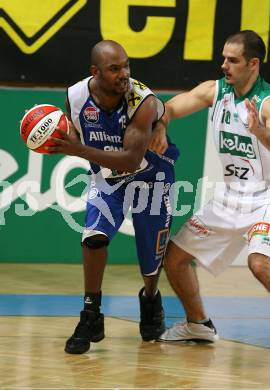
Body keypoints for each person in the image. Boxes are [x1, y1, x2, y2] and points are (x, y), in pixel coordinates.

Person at [150, 30, 270, 362]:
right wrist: (161, 125)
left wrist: (259, 130)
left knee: (260, 264)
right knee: (174, 258)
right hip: (233, 197)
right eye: (223, 58)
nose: (224, 65)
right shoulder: (214, 90)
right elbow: (170, 108)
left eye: (233, 60)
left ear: (253, 64)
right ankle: (198, 324)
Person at [48, 40, 179, 354]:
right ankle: (90, 315)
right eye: (114, 68)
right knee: (93, 238)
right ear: (95, 72)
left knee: (151, 258)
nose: (124, 74)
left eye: (127, 65)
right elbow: (76, 134)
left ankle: (150, 300)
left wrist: (78, 150)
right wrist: (53, 138)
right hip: (108, 179)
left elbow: (132, 160)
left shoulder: (140, 100)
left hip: (151, 175)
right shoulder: (76, 96)